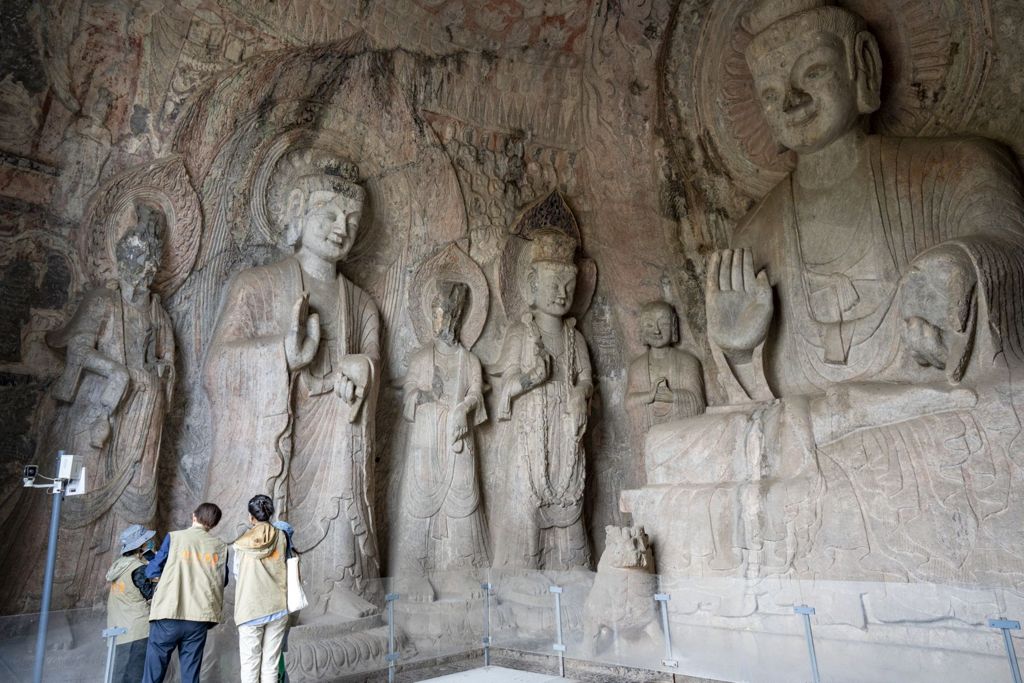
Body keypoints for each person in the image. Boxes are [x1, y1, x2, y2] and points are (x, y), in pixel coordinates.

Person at [204, 153, 381, 619]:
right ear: (300, 211)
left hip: (335, 432)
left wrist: (361, 372)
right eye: (330, 214)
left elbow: (373, 366)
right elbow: (217, 367)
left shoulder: (360, 304)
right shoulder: (257, 285)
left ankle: (334, 582)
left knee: (345, 450)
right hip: (276, 431)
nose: (341, 227)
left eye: (352, 218)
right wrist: (280, 354)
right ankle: (261, 592)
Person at [492, 228, 594, 570]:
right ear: (532, 284)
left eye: (569, 284)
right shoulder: (520, 334)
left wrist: (581, 393)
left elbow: (587, 380)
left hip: (567, 436)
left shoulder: (574, 338)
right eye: (554, 283)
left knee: (570, 504)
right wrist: (529, 378)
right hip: (529, 438)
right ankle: (522, 574)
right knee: (526, 504)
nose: (562, 293)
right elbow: (504, 389)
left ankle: (572, 570)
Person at [142, 503, 228, 683]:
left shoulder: (175, 537)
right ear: (214, 524)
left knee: (153, 674)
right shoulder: (220, 546)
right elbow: (223, 580)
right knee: (190, 676)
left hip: (168, 613)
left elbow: (151, 572)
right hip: (198, 618)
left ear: (194, 516)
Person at [233, 494, 288, 683]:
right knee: (271, 665)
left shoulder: (240, 544)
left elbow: (237, 574)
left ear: (251, 517)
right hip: (278, 606)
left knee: (250, 665)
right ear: (270, 513)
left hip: (250, 608)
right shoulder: (282, 536)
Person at [106, 523, 157, 682]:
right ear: (141, 545)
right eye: (146, 541)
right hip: (137, 630)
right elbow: (150, 594)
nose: (149, 542)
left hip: (117, 629)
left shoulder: (119, 564)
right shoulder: (138, 568)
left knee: (119, 675)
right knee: (135, 675)